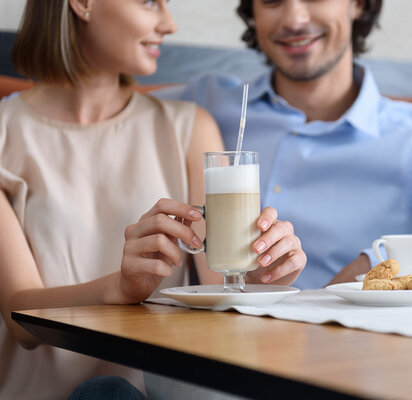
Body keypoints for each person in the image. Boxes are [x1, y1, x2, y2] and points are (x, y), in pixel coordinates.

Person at [0, 0, 306, 399]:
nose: (170, 23)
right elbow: (19, 318)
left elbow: (223, 287)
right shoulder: (6, 135)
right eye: (149, 2)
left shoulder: (188, 128)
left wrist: (264, 275)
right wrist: (119, 289)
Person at [157, 0, 412, 289]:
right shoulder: (205, 104)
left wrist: (381, 261)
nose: (295, 18)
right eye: (272, 0)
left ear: (358, 3)